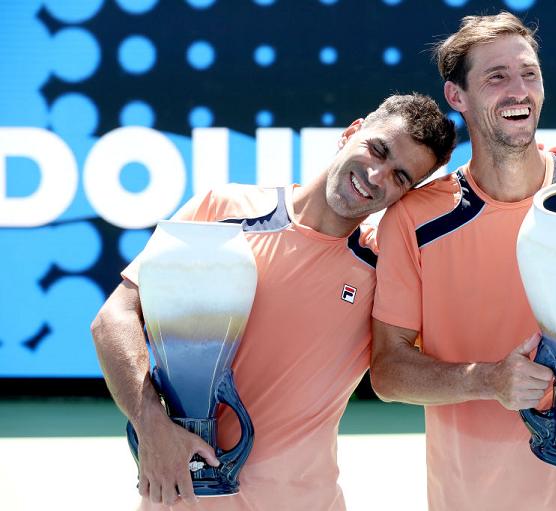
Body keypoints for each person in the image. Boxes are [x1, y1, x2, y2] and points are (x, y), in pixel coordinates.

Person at [370, 12, 556, 511]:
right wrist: (486, 379)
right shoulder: (413, 219)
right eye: (496, 77)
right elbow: (388, 373)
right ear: (457, 96)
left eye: (528, 73)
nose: (519, 90)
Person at [90, 93, 456, 510]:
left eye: (400, 177)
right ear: (352, 131)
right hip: (182, 499)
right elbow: (114, 317)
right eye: (377, 149)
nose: (376, 176)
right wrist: (151, 425)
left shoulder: (385, 269)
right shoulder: (225, 211)